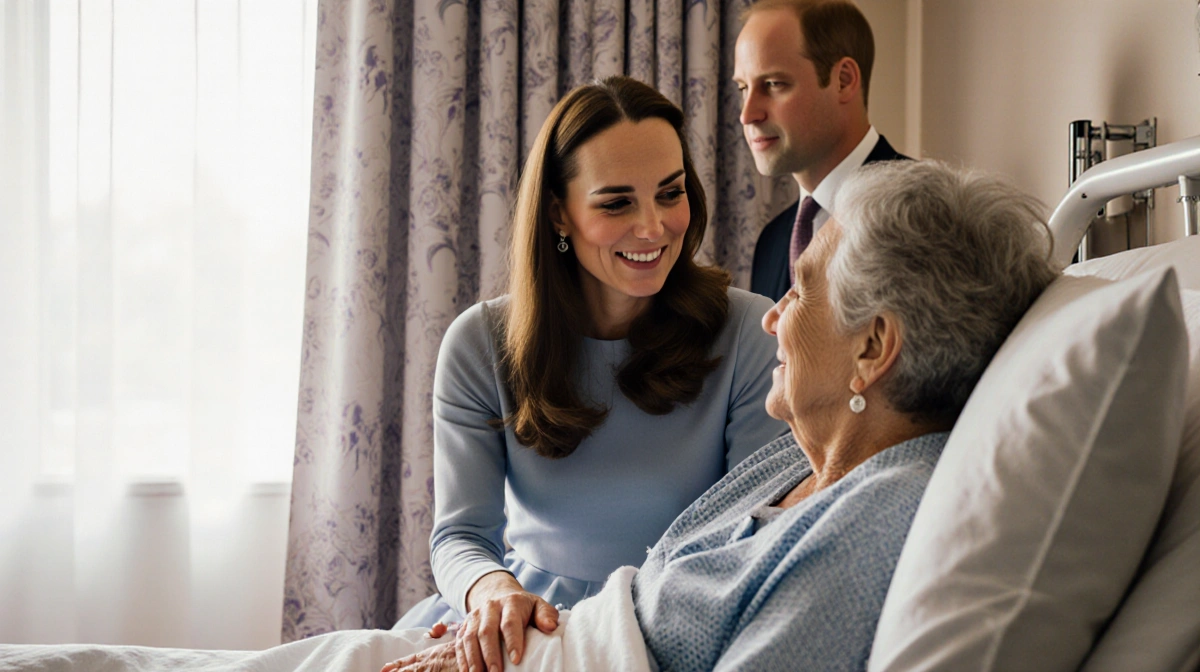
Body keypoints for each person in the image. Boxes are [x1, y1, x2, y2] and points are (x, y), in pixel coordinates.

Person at [384, 160, 1061, 672]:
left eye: (799, 293)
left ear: (873, 347)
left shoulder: (875, 526)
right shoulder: (804, 460)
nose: (772, 317)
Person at [393, 75, 789, 666]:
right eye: (616, 202)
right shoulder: (479, 345)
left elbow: (744, 548)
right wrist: (492, 592)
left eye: (670, 192)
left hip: (674, 622)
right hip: (525, 620)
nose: (654, 227)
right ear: (558, 213)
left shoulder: (750, 336)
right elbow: (461, 538)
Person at [735, 0, 910, 302]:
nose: (747, 114)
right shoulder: (771, 242)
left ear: (843, 81)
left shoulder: (924, 214)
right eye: (743, 89)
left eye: (774, 84)